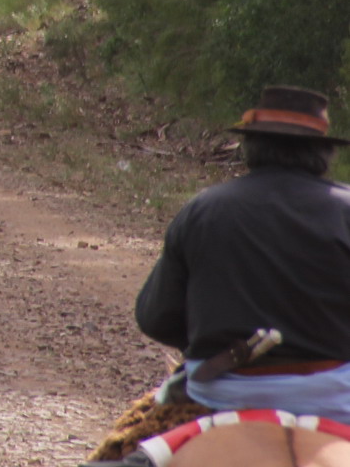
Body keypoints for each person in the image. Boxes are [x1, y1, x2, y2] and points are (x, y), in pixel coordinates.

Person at [135, 86, 350, 419]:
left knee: (129, 452)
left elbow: (156, 317)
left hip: (222, 392)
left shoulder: (203, 209)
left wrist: (210, 335)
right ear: (323, 153)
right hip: (334, 399)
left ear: (251, 146)